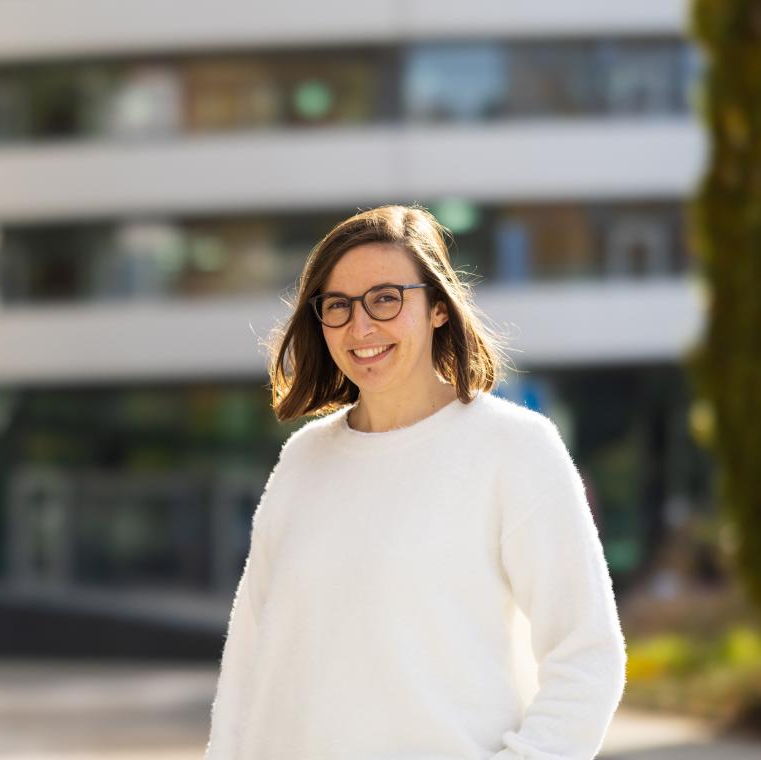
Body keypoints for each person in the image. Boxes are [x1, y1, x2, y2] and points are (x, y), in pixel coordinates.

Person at [204, 205, 627, 759]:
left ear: (437, 309)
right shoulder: (302, 460)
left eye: (385, 298)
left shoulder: (515, 450)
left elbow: (588, 656)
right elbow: (248, 663)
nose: (361, 327)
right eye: (338, 306)